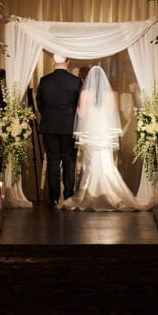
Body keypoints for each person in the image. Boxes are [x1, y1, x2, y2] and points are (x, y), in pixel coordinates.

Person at [61, 66, 143, 212]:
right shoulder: (109, 94)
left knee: (91, 162)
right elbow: (112, 113)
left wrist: (78, 108)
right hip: (104, 133)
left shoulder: (85, 93)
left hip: (92, 132)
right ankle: (111, 192)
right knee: (106, 162)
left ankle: (90, 191)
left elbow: (81, 114)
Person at [36, 53, 82, 207]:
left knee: (53, 161)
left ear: (53, 61)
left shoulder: (44, 80)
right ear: (68, 62)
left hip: (49, 126)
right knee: (69, 160)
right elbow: (79, 105)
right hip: (69, 126)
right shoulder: (76, 81)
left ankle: (53, 198)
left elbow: (40, 104)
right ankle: (68, 195)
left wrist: (49, 116)